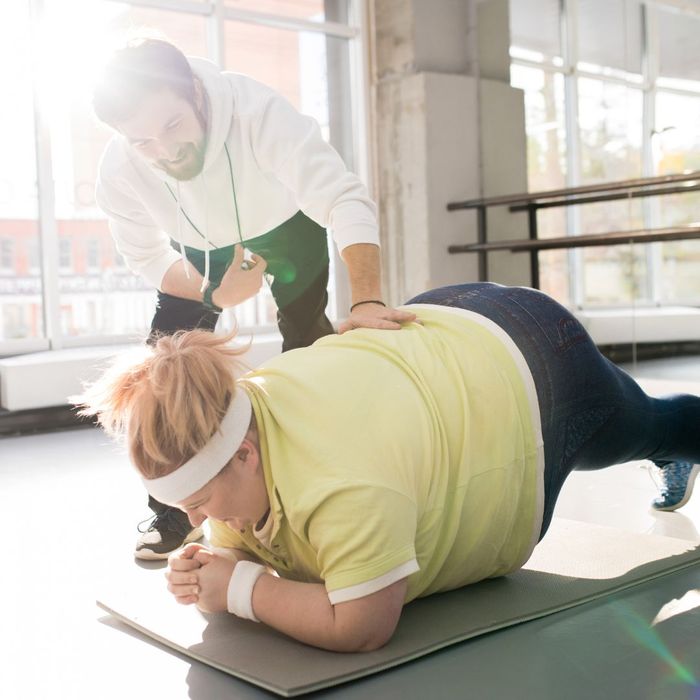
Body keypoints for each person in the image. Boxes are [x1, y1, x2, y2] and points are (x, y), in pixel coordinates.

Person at [75, 283, 700, 652]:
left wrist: (238, 588)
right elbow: (245, 535)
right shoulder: (233, 417)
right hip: (436, 327)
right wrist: (210, 570)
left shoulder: (346, 481)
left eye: (200, 501)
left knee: (650, 426)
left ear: (245, 452)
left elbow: (362, 624)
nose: (195, 521)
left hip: (535, 362)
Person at [92, 37, 415, 558]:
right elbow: (147, 258)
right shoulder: (119, 168)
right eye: (142, 141)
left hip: (289, 226)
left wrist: (367, 302)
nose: (165, 151)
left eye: (172, 126)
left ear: (194, 92)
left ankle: (313, 487)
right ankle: (176, 514)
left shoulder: (257, 111)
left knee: (311, 350)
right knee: (162, 373)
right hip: (199, 249)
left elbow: (342, 197)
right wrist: (210, 292)